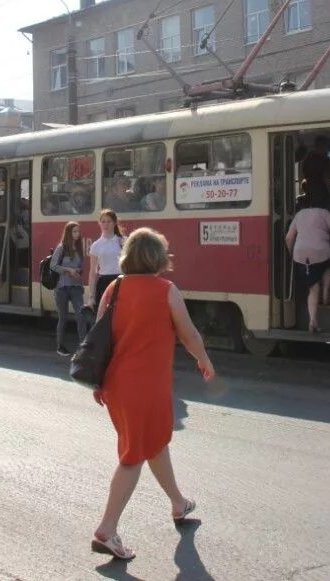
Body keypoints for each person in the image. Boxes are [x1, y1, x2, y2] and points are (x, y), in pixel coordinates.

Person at [90, 228, 215, 561]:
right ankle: (107, 529)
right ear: (158, 257)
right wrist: (204, 360)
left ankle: (178, 502)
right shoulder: (166, 291)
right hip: (147, 387)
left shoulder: (113, 289)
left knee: (154, 442)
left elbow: (99, 338)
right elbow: (189, 334)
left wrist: (98, 382)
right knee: (133, 456)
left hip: (116, 385)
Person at [286, 184, 330, 333]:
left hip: (301, 256)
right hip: (321, 253)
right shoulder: (324, 213)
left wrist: (291, 253)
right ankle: (326, 292)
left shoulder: (299, 215)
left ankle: (313, 320)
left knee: (313, 288)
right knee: (328, 264)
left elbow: (289, 237)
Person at [51, 221, 88, 356]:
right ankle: (60, 346)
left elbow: (81, 266)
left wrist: (78, 271)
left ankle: (83, 347)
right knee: (63, 317)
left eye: (78, 231)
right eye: (75, 231)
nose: (78, 234)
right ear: (68, 233)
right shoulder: (61, 248)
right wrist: (68, 270)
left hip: (76, 286)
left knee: (81, 315)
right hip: (62, 287)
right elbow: (53, 266)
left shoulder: (78, 248)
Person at [88, 209, 126, 312]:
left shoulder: (123, 241)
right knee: (105, 315)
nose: (106, 224)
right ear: (99, 223)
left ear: (114, 223)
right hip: (104, 282)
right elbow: (93, 272)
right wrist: (91, 296)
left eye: (109, 221)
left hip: (121, 281)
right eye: (103, 221)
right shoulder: (96, 245)